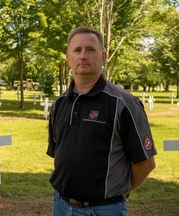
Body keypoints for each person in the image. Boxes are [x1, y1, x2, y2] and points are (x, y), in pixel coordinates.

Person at [47, 26, 157, 216]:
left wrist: (117, 195)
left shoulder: (122, 103)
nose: (83, 56)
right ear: (68, 58)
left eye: (90, 49)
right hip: (61, 205)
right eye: (77, 50)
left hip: (104, 210)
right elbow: (59, 154)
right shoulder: (59, 104)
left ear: (103, 56)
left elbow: (145, 164)